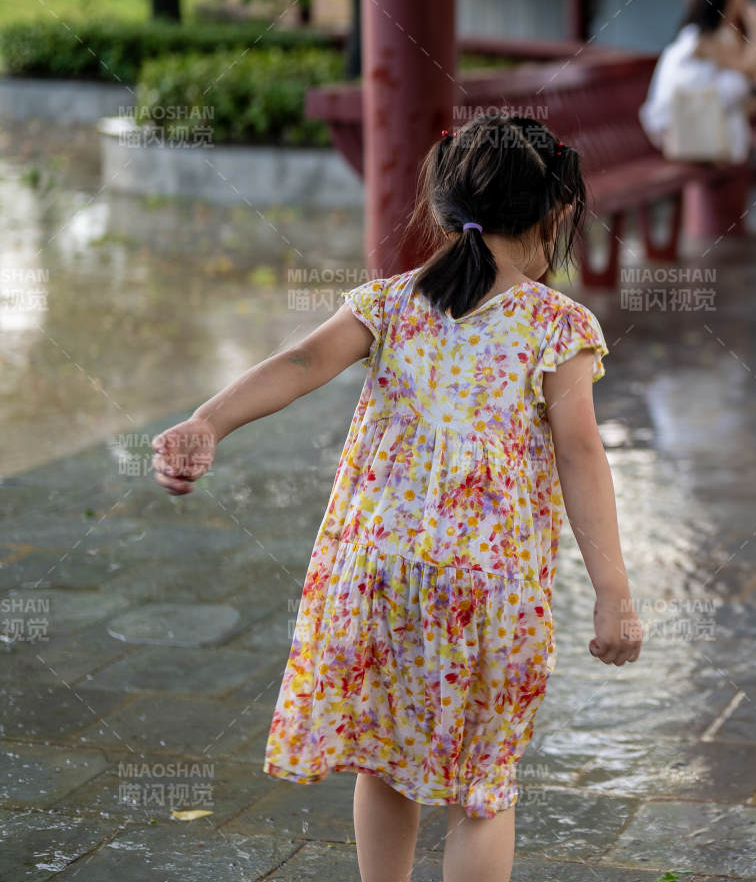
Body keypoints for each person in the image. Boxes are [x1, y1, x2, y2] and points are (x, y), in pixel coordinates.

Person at [148, 115, 642, 882]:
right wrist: (614, 590)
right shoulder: (558, 324)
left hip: (376, 575)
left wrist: (207, 421)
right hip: (486, 585)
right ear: (556, 215)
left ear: (448, 210)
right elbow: (580, 452)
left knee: (385, 757)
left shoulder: (392, 300)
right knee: (481, 784)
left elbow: (303, 359)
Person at [640, 0, 756, 161]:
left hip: (698, 122)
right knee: (739, 84)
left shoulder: (723, 35)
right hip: (680, 126)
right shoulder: (700, 39)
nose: (745, 1)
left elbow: (755, 74)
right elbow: (749, 67)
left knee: (749, 88)